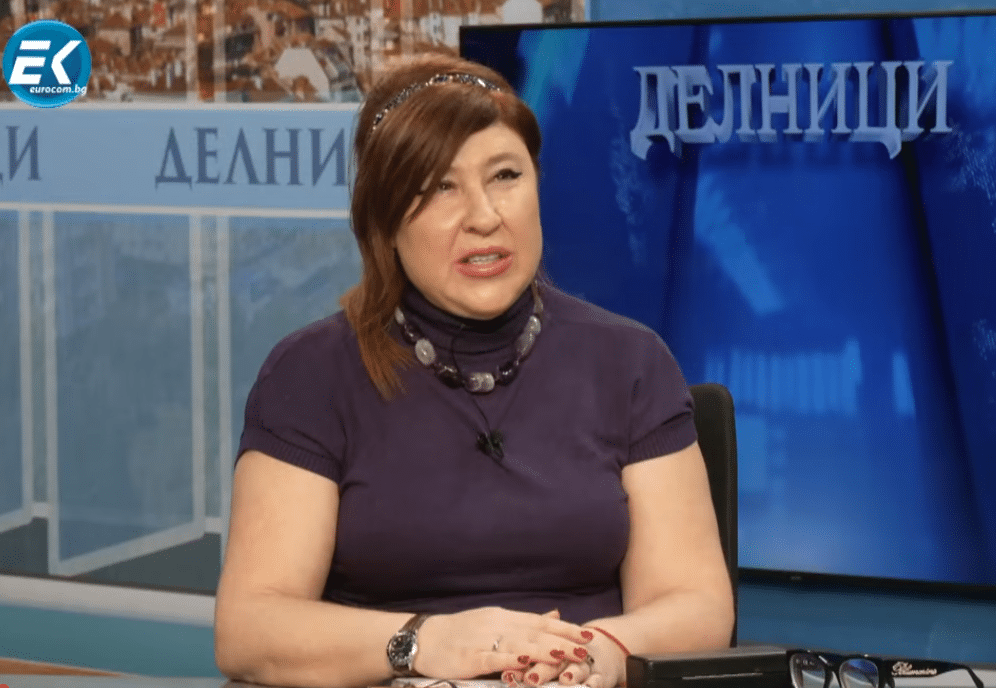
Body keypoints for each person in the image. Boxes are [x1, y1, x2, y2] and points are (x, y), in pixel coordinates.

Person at [214, 54, 734, 688]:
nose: (485, 216)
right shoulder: (309, 375)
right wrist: (426, 641)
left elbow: (695, 603)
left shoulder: (632, 362)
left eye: (505, 175)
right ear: (383, 220)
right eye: (440, 187)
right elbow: (250, 629)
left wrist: (595, 654)